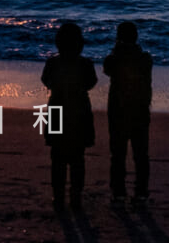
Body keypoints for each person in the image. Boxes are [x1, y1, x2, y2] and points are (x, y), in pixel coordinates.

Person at [40, 22, 98, 211]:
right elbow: (92, 82)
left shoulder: (53, 62)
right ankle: (75, 195)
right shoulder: (85, 63)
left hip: (57, 109)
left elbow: (45, 80)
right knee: (77, 157)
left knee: (57, 157)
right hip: (80, 110)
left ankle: (58, 196)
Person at [103, 21, 152, 207]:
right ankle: (141, 192)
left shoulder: (114, 59)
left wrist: (117, 49)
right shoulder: (145, 59)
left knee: (118, 154)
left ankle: (119, 193)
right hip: (140, 111)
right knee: (141, 155)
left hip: (118, 111)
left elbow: (107, 68)